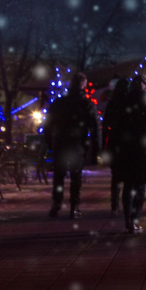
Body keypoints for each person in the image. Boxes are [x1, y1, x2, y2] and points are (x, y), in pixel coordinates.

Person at [43, 72, 100, 219]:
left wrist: (50, 143)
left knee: (59, 176)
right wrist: (96, 149)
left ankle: (56, 205)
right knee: (76, 177)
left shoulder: (59, 103)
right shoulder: (87, 104)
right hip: (77, 145)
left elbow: (48, 125)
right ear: (84, 85)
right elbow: (95, 127)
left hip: (61, 143)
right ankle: (74, 207)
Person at [111, 75, 146, 234]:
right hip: (142, 146)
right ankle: (135, 219)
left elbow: (116, 124)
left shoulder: (124, 100)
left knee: (128, 184)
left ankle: (127, 219)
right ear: (145, 86)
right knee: (140, 185)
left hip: (125, 146)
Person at [102, 77, 130, 217]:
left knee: (116, 175)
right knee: (129, 175)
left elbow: (106, 124)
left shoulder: (112, 103)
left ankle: (115, 205)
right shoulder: (130, 102)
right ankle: (127, 204)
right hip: (128, 142)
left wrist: (103, 145)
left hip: (115, 140)